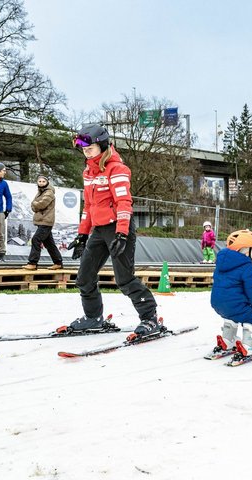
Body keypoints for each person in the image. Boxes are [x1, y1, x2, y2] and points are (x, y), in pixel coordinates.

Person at [66, 123, 159, 336]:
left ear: (103, 145)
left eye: (90, 149)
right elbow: (88, 206)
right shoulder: (89, 172)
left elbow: (124, 202)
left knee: (124, 279)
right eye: (83, 149)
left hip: (118, 228)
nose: (86, 153)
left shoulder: (117, 169)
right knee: (84, 277)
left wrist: (122, 233)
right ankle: (93, 318)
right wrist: (82, 234)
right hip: (99, 230)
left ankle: (150, 318)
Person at [210, 230, 252, 357]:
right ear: (246, 252)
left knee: (231, 316)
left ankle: (227, 340)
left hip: (217, 304)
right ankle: (248, 345)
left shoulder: (221, 263)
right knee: (250, 317)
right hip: (234, 305)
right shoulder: (247, 266)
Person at [22, 175, 64, 271]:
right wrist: (35, 204)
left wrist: (33, 204)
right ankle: (58, 262)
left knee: (36, 239)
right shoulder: (41, 192)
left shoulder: (49, 193)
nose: (41, 183)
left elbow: (41, 204)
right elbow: (36, 204)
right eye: (39, 181)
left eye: (43, 181)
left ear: (47, 182)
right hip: (43, 221)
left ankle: (32, 263)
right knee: (49, 243)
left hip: (46, 221)